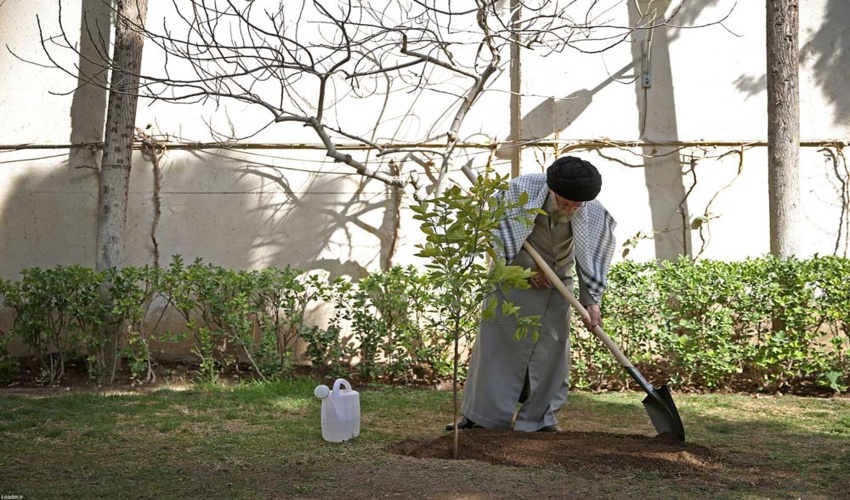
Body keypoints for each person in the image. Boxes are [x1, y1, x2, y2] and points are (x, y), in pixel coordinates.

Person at [447, 156, 617, 432]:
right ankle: (482, 419)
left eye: (577, 205)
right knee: (497, 351)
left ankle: (540, 420)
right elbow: (499, 236)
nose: (571, 209)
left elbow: (591, 259)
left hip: (557, 286)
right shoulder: (521, 192)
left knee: (552, 354)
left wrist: (591, 302)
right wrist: (526, 271)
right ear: (552, 190)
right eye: (565, 203)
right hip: (512, 280)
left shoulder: (591, 210)